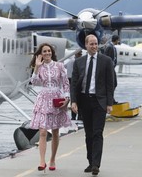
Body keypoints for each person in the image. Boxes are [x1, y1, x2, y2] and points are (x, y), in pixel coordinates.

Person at [70, 35, 114, 176]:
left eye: (96, 44)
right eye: (91, 44)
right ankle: (90, 162)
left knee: (97, 133)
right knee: (88, 134)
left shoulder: (106, 61)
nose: (94, 46)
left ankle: (96, 164)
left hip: (99, 101)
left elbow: (111, 83)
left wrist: (109, 103)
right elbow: (74, 83)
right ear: (86, 45)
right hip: (84, 100)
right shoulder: (79, 62)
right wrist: (74, 101)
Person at [29, 43, 72, 172]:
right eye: (44, 51)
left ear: (52, 52)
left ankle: (52, 159)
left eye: (49, 51)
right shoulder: (39, 67)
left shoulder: (59, 66)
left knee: (55, 132)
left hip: (56, 100)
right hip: (43, 99)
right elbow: (34, 83)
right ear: (41, 54)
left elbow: (65, 83)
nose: (47, 53)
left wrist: (67, 98)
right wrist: (36, 67)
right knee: (42, 131)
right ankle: (42, 161)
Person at [64, 50, 83, 120]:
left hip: (69, 79)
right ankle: (79, 116)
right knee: (78, 98)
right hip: (75, 80)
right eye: (80, 54)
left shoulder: (70, 61)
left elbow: (64, 66)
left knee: (73, 97)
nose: (81, 55)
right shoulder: (78, 62)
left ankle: (73, 117)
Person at [104, 35, 120, 103]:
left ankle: (111, 98)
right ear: (116, 40)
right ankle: (110, 99)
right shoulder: (110, 47)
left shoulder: (112, 47)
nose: (118, 41)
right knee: (113, 83)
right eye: (118, 40)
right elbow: (107, 58)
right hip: (110, 68)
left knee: (114, 83)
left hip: (112, 68)